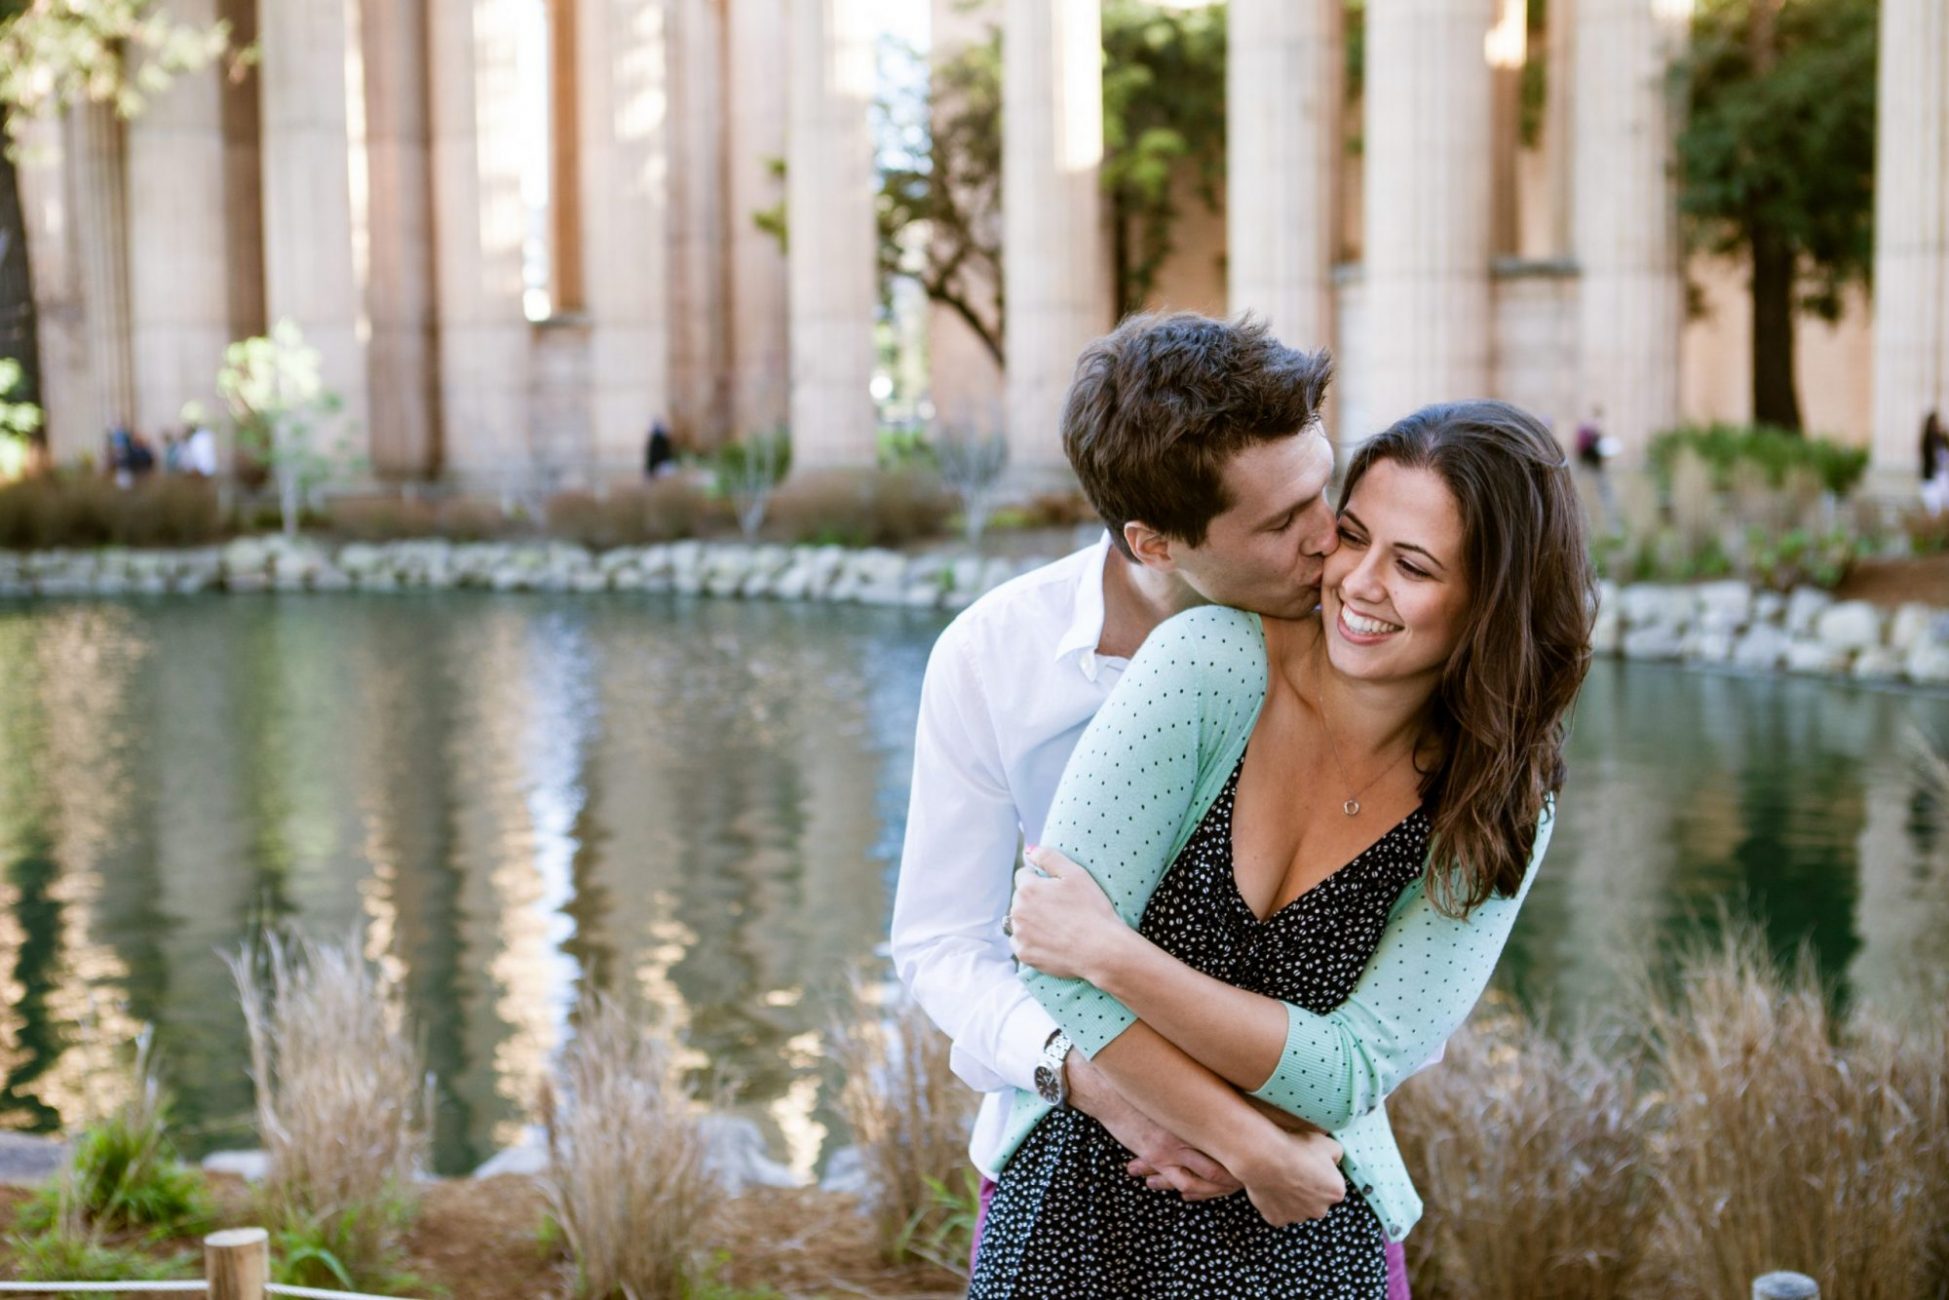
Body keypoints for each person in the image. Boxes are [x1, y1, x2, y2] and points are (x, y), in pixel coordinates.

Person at [983, 401, 1595, 1296]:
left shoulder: (1499, 801)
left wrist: (1114, 954)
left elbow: (1352, 1070)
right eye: (1352, 535)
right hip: (1090, 1196)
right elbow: (1047, 964)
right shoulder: (1207, 663)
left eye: (1413, 566)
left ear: (1490, 602)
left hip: (1307, 1223)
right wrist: (1249, 1145)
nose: (1357, 582)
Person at [893, 313, 1414, 1297]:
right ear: (1153, 541)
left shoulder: (1373, 641)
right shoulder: (994, 657)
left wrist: (1267, 1132)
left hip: (1308, 1164)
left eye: (1323, 491)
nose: (1326, 543)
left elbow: (1411, 960)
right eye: (1276, 523)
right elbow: (938, 944)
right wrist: (1104, 1086)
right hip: (1067, 1160)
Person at [1919, 410, 1947, 516]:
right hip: (1930, 479)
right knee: (1934, 507)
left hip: (1941, 477)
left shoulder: (1942, 439)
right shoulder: (1927, 440)